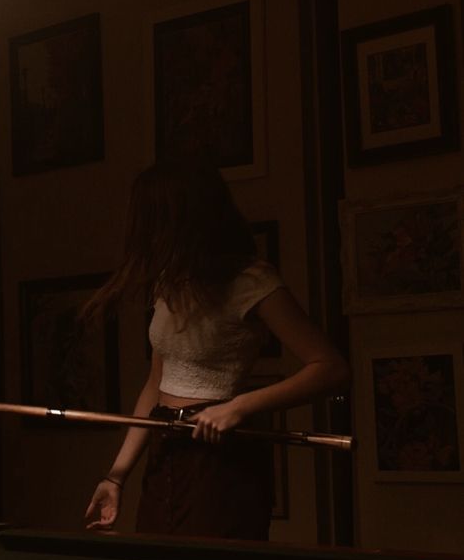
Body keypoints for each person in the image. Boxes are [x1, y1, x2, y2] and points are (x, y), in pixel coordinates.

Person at [83, 157, 350, 540]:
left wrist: (238, 407)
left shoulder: (252, 281)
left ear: (183, 220)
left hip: (222, 461)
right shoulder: (168, 282)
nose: (146, 235)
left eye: (153, 220)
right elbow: (155, 383)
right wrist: (116, 476)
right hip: (165, 453)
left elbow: (331, 368)